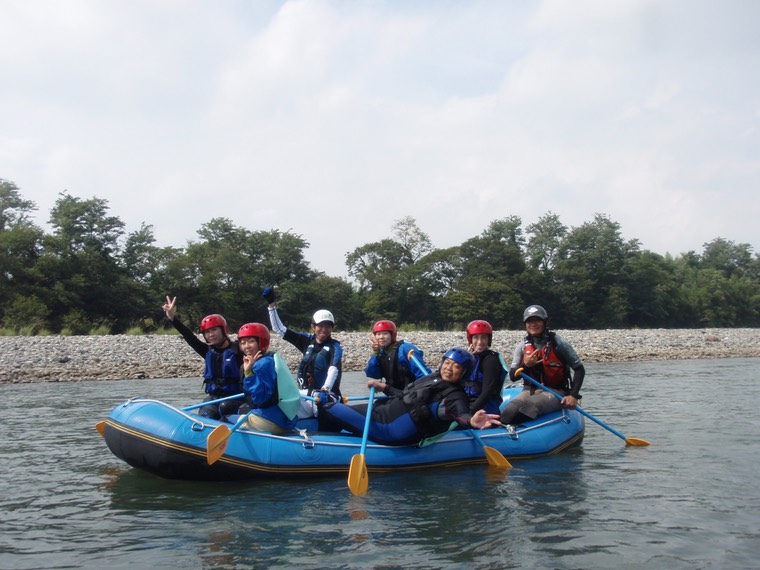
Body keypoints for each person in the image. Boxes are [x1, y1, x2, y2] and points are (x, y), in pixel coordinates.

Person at [319, 347, 502, 446]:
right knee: (334, 407)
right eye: (447, 363)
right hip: (382, 413)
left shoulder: (455, 397)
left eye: (456, 367)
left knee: (329, 408)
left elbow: (461, 414)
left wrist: (472, 422)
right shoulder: (434, 378)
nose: (449, 368)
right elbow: (407, 396)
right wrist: (384, 387)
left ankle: (322, 445)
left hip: (388, 430)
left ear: (463, 373)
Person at [500, 305, 585, 425]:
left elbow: (579, 369)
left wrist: (573, 395)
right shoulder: (522, 347)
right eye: (530, 321)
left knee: (531, 405)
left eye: (537, 320)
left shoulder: (559, 343)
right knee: (508, 412)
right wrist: (525, 365)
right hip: (530, 389)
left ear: (545, 322)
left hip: (556, 391)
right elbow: (513, 376)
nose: (533, 324)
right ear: (525, 324)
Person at [162, 295, 244, 419]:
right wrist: (172, 318)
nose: (211, 335)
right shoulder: (207, 351)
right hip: (213, 399)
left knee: (224, 407)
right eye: (207, 332)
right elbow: (188, 336)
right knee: (207, 411)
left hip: (236, 398)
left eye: (214, 330)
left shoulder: (239, 350)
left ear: (224, 330)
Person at [263, 286, 343, 406]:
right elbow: (279, 329)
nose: (324, 330)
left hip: (326, 397)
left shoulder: (335, 347)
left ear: (332, 328)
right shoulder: (307, 341)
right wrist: (271, 305)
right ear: (313, 327)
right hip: (306, 395)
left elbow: (333, 370)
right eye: (320, 326)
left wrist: (325, 389)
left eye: (328, 326)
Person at [235, 323, 297, 434]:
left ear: (262, 342)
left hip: (271, 421)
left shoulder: (262, 364)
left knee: (237, 419)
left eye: (251, 341)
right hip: (280, 417)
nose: (246, 346)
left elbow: (260, 398)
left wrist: (248, 373)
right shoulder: (269, 359)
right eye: (243, 343)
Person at [364, 320, 426, 390]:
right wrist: (375, 353)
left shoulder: (405, 349)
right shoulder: (381, 353)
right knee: (379, 402)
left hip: (411, 394)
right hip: (395, 394)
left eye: (385, 333)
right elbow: (373, 374)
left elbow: (424, 375)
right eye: (378, 334)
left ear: (392, 335)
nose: (381, 337)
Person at [464, 320, 507, 415]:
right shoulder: (469, 358)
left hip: (485, 407)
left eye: (484, 337)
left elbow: (488, 391)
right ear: (470, 339)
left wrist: (470, 411)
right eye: (476, 337)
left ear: (489, 339)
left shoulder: (490, 360)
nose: (480, 342)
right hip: (467, 402)